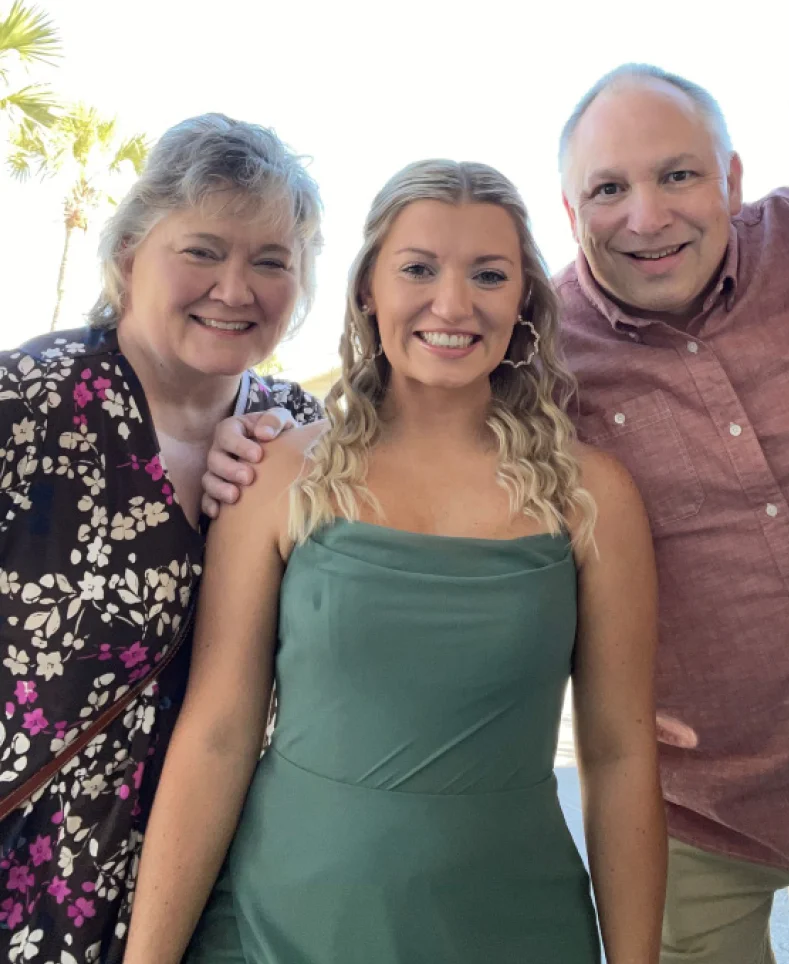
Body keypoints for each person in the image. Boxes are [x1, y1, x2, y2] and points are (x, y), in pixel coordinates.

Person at [123, 159, 667, 964]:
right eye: (418, 268)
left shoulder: (593, 496)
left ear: (524, 299)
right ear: (369, 286)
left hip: (511, 926)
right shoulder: (275, 472)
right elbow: (218, 733)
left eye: (489, 273)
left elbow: (619, 756)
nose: (453, 304)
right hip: (278, 926)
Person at [555, 65, 789, 963]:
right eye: (608, 189)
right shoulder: (533, 352)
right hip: (686, 807)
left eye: (678, 175)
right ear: (571, 214)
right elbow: (435, 478)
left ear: (731, 179)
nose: (646, 216)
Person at [0, 113, 323, 962]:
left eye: (271, 260)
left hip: (217, 890)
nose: (236, 287)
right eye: (204, 250)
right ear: (128, 255)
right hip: (27, 877)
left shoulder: (301, 432)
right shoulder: (27, 405)